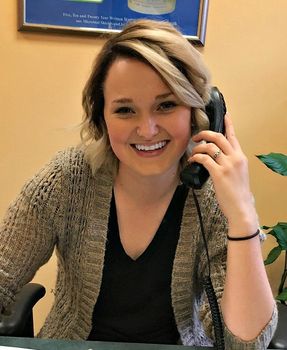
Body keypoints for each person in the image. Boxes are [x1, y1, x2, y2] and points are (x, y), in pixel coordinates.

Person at [0, 19, 277, 348]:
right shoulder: (67, 179)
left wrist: (242, 213)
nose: (147, 130)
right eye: (125, 109)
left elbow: (247, 342)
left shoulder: (215, 195)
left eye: (166, 105)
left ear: (199, 110)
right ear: (101, 117)